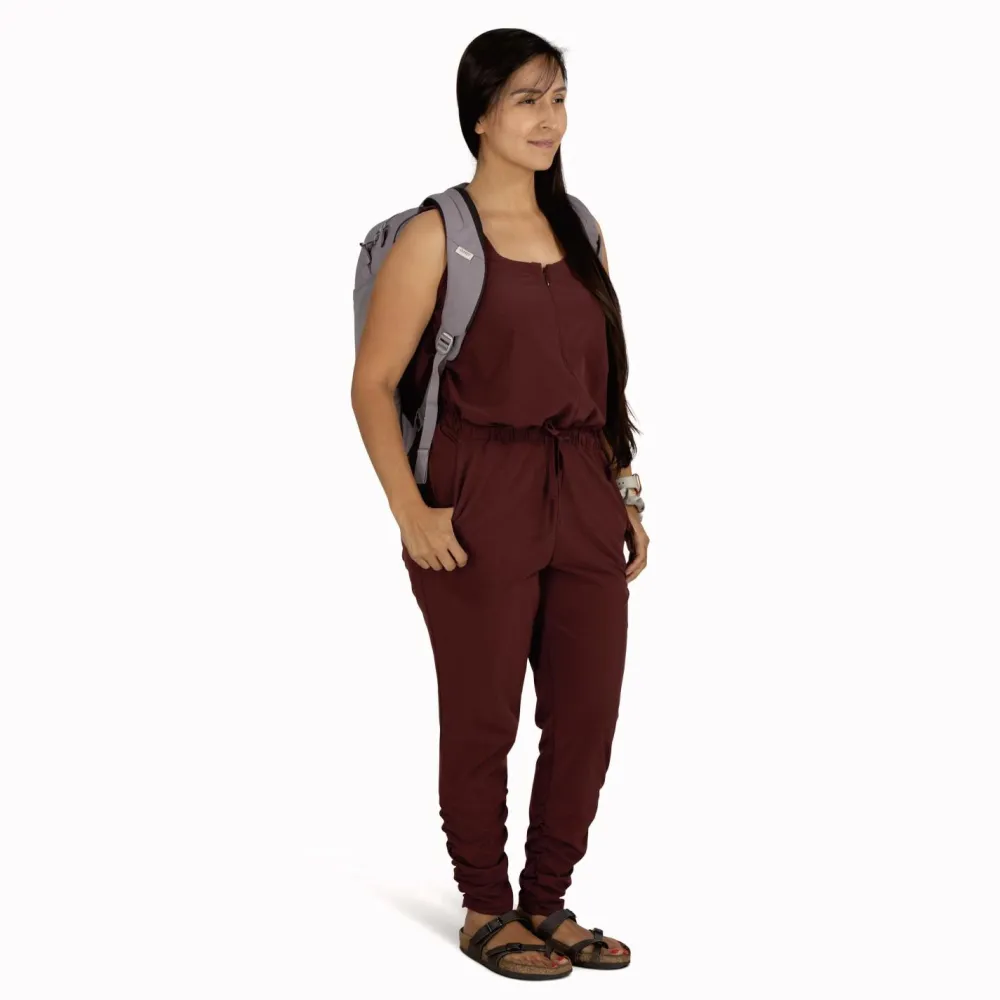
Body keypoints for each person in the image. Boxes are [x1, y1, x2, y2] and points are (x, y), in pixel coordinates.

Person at [351, 28, 649, 980]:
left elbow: (604, 381)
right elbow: (372, 383)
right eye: (526, 99)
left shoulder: (583, 230)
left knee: (587, 713)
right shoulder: (437, 235)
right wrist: (410, 510)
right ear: (478, 115)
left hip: (582, 488)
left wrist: (625, 492)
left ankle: (547, 900)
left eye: (558, 97)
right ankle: (485, 905)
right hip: (477, 495)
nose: (549, 118)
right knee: (483, 717)